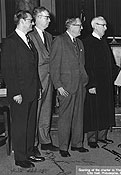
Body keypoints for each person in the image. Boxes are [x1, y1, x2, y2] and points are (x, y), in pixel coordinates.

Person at [1, 10, 45, 168]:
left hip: (32, 90)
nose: (33, 23)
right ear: (21, 21)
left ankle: (29, 152)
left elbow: (33, 68)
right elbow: (8, 70)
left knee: (30, 124)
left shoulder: (28, 40)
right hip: (19, 93)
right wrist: (15, 92)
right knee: (20, 125)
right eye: (30, 20)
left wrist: (38, 87)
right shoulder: (10, 41)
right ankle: (20, 157)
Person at [50, 17, 89, 157]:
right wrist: (58, 85)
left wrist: (85, 81)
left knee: (79, 116)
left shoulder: (79, 42)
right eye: (79, 25)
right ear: (71, 26)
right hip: (65, 86)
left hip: (80, 85)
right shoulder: (59, 40)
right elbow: (53, 65)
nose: (82, 28)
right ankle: (63, 147)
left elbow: (82, 64)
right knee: (65, 117)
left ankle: (77, 144)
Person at [82, 16, 119, 148]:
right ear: (95, 26)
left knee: (105, 108)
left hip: (106, 82)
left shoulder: (104, 42)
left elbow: (111, 64)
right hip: (95, 84)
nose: (106, 28)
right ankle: (92, 139)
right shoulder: (87, 42)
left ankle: (102, 136)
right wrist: (91, 84)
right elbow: (86, 66)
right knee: (93, 110)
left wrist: (120, 74)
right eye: (103, 25)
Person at [28, 6, 58, 155]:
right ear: (37, 18)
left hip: (49, 79)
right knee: (35, 112)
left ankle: (45, 141)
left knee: (46, 111)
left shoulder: (49, 36)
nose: (49, 20)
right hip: (38, 79)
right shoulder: (30, 36)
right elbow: (39, 59)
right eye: (46, 17)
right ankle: (33, 144)